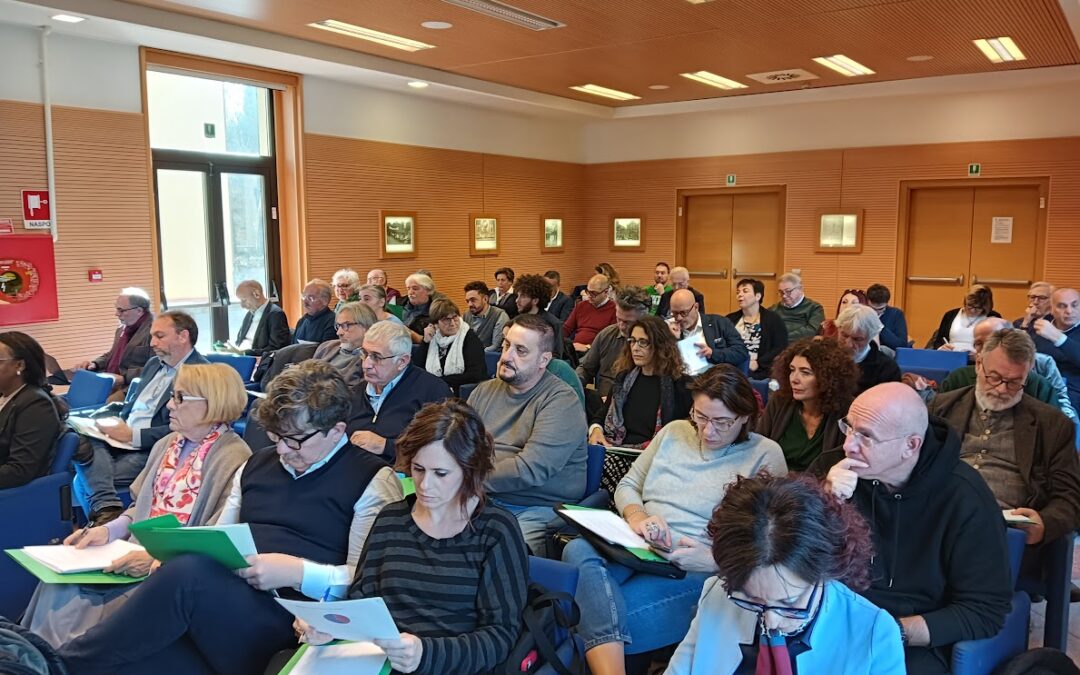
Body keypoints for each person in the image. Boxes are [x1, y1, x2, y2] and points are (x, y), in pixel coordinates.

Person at [57, 360, 403, 675]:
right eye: (276, 437)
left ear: (336, 430)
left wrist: (298, 572)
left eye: (294, 440)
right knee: (137, 662)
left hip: (299, 621)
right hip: (228, 605)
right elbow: (219, 537)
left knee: (188, 575)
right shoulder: (257, 465)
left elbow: (370, 583)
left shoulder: (370, 479)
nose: (282, 449)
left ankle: (54, 664)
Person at [564, 365, 787, 674]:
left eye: (722, 422)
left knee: (601, 616)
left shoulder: (764, 454)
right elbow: (629, 485)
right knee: (576, 549)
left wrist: (713, 559)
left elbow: (771, 542)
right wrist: (638, 516)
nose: (708, 431)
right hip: (639, 543)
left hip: (692, 565)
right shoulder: (673, 432)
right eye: (700, 416)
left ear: (745, 417)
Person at [22, 363, 252, 647]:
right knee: (56, 583)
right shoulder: (168, 444)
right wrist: (106, 531)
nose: (170, 405)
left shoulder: (234, 457)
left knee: (76, 603)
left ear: (213, 403)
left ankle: (56, 659)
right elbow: (139, 508)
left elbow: (218, 539)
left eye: (180, 397)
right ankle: (36, 657)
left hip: (174, 571)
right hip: (133, 551)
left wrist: (156, 560)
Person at [295, 400, 529, 674]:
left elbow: (501, 635)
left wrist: (426, 654)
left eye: (441, 473)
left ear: (470, 471)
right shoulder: (391, 519)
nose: (425, 485)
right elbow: (362, 602)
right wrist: (329, 625)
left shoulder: (495, 529)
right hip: (377, 662)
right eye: (418, 469)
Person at [810, 382, 1013, 674]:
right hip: (829, 622)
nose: (848, 445)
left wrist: (889, 632)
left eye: (866, 436)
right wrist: (826, 503)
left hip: (912, 639)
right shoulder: (833, 470)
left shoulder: (964, 497)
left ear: (911, 445)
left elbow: (984, 610)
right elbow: (790, 562)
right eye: (849, 428)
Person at [665, 473, 905, 675]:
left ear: (825, 573)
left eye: (789, 603)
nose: (771, 622)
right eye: (753, 599)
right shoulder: (718, 596)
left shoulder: (874, 632)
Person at [929, 328, 1080, 549]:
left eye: (1014, 382)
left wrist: (1044, 523)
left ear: (1027, 375)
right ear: (978, 365)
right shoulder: (941, 408)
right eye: (994, 377)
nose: (1001, 389)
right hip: (938, 517)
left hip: (1005, 531)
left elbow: (1070, 497)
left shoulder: (1052, 425)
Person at [468, 314, 587, 556]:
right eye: (506, 345)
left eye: (520, 350)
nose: (507, 356)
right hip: (481, 496)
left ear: (544, 360)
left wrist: (465, 478)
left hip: (533, 506)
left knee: (502, 558)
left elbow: (530, 469)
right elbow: (459, 445)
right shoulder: (484, 391)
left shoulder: (561, 401)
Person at [75, 311, 209, 525]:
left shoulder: (201, 373)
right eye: (152, 336)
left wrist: (134, 436)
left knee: (85, 477)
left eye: (159, 336)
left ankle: (106, 520)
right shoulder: (153, 364)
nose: (152, 343)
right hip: (121, 435)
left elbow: (190, 427)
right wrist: (111, 422)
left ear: (183, 336)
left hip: (154, 447)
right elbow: (133, 405)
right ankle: (107, 518)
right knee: (81, 443)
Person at [346, 321, 451, 462]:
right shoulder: (353, 393)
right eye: (364, 353)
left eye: (376, 357)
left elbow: (443, 450)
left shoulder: (433, 392)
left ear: (402, 361)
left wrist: (387, 446)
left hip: (401, 472)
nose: (366, 364)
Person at [940, 318, 1077, 422]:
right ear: (978, 363)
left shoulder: (1038, 386)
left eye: (992, 343)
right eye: (978, 344)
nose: (1001, 389)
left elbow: (1054, 428)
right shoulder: (958, 379)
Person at [588, 316, 692, 449]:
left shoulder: (681, 385)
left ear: (660, 345)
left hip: (656, 453)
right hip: (616, 449)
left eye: (643, 342)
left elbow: (687, 431)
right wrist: (596, 430)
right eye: (632, 341)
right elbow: (600, 416)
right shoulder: (623, 379)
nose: (635, 348)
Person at [757, 338, 856, 472]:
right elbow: (759, 447)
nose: (794, 379)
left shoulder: (848, 411)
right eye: (792, 370)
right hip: (775, 480)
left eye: (805, 373)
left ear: (828, 378)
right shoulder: (780, 401)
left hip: (824, 483)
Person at [0, 332, 67, 489]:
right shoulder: (5, 395)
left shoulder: (36, 405)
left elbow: (19, 471)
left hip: (14, 493)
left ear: (19, 366)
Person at [72, 287, 154, 392]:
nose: (116, 314)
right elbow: (112, 355)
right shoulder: (122, 329)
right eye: (117, 309)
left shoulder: (155, 332)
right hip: (112, 382)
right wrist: (95, 364)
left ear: (139, 311)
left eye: (121, 310)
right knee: (79, 392)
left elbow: (156, 368)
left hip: (134, 387)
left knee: (98, 399)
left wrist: (124, 378)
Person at [577, 286, 651, 398]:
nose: (621, 326)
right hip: (602, 401)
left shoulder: (654, 343)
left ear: (645, 318)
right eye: (618, 319)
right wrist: (574, 384)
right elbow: (586, 369)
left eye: (628, 322)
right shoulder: (606, 335)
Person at [667, 289, 748, 373]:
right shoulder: (669, 329)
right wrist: (672, 339)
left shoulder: (719, 323)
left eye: (684, 313)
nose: (679, 318)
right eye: (674, 313)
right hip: (685, 378)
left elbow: (741, 352)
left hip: (715, 377)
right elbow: (665, 364)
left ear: (696, 307)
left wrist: (712, 353)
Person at [417, 298, 486, 395]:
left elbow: (474, 375)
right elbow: (417, 368)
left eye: (455, 317)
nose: (453, 323)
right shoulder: (433, 337)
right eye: (446, 320)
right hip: (435, 388)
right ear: (435, 323)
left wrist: (438, 382)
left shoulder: (469, 338)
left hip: (461, 391)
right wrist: (425, 342)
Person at [1029, 287, 1080, 416]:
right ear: (1051, 309)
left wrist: (1058, 338)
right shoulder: (1040, 327)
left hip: (1072, 394)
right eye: (1062, 306)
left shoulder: (1049, 331)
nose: (1069, 311)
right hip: (1038, 389)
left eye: (1075, 305)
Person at [725, 277, 788, 379]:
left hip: (763, 370)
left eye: (745, 291)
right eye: (738, 292)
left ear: (758, 296)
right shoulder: (730, 319)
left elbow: (780, 347)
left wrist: (759, 363)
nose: (740, 295)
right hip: (734, 369)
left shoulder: (773, 319)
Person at [834, 305, 902, 394]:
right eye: (844, 335)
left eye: (857, 339)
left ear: (870, 337)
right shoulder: (825, 358)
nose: (848, 344)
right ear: (838, 329)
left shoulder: (887, 368)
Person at [312, 302, 378, 389]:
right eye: (338, 326)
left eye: (346, 325)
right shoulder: (326, 347)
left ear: (366, 327)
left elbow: (355, 392)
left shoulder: (371, 359)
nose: (339, 333)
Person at [930, 283, 999, 351]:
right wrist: (941, 348)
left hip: (979, 357)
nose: (972, 310)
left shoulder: (994, 318)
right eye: (969, 305)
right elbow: (939, 341)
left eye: (978, 308)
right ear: (965, 302)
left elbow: (998, 346)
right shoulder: (950, 315)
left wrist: (979, 354)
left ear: (986, 307)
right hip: (951, 355)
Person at [233, 280, 290, 357]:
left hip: (258, 359)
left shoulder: (276, 314)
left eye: (244, 300)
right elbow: (239, 340)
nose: (242, 305)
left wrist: (246, 353)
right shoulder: (249, 314)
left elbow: (277, 348)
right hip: (242, 357)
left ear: (257, 294)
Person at [564, 274, 618, 354]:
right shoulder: (581, 305)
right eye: (588, 292)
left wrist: (588, 347)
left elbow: (611, 341)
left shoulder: (615, 309)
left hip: (596, 352)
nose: (589, 296)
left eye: (593, 293)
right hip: (575, 349)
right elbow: (566, 328)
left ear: (606, 292)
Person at [515, 273, 565, 359]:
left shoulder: (554, 324)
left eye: (523, 296)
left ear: (535, 301)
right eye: (518, 296)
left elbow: (556, 356)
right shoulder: (518, 320)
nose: (517, 300)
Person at [770, 273, 824, 340]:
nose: (784, 296)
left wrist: (782, 337)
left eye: (788, 291)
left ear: (800, 289)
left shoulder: (815, 308)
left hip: (800, 344)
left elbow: (812, 331)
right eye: (781, 292)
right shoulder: (773, 309)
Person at [463, 280, 509, 352]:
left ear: (485, 299)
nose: (470, 304)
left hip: (488, 357)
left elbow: (495, 347)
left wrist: (473, 353)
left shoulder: (500, 315)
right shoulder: (467, 315)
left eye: (473, 300)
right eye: (467, 301)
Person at [400, 272, 440, 343]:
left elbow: (434, 342)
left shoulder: (437, 312)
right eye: (408, 288)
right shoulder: (399, 304)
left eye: (415, 289)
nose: (410, 292)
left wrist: (411, 334)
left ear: (428, 290)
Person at [867, 283, 910, 350]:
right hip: (864, 350)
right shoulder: (862, 313)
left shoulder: (896, 314)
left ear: (887, 303)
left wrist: (880, 327)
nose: (875, 312)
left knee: (884, 349)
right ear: (868, 301)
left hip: (887, 351)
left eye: (880, 309)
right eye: (872, 308)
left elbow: (901, 345)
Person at [293, 279, 337, 344]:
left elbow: (327, 348)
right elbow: (292, 346)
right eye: (304, 296)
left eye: (310, 298)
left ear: (325, 301)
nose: (305, 302)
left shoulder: (333, 322)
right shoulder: (302, 321)